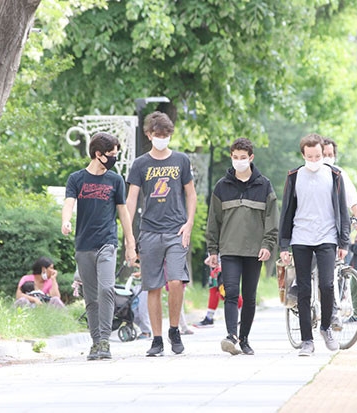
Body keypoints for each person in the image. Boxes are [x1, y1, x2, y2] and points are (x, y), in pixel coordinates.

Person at [126, 111, 197, 357]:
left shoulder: (181, 160)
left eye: (166, 134)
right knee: (153, 286)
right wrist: (129, 236)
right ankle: (156, 339)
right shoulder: (140, 164)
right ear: (149, 135)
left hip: (176, 229)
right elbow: (131, 199)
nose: (162, 138)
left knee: (176, 281)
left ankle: (174, 329)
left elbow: (191, 194)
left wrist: (189, 223)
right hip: (149, 231)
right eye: (157, 134)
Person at [61, 132, 137, 360]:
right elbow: (68, 203)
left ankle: (105, 340)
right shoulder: (76, 179)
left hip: (107, 242)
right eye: (111, 154)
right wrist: (66, 220)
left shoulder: (115, 180)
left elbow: (123, 212)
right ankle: (96, 342)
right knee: (91, 296)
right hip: (84, 245)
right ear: (98, 154)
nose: (114, 158)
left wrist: (130, 242)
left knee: (106, 289)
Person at [279, 133, 350, 356]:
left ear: (322, 152)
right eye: (309, 156)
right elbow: (286, 212)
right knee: (303, 289)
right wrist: (284, 245)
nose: (314, 160)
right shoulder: (294, 176)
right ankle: (306, 340)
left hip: (327, 237)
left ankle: (326, 328)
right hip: (301, 237)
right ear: (303, 155)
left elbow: (343, 210)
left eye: (318, 156)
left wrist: (344, 242)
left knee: (327, 285)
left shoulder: (334, 175)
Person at [206, 137, 279, 355]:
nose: (239, 161)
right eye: (235, 157)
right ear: (231, 157)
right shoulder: (222, 186)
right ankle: (231, 336)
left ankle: (244, 339)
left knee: (249, 297)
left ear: (251, 157)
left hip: (255, 251)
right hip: (229, 249)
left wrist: (268, 244)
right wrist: (212, 250)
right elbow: (213, 220)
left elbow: (272, 219)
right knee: (230, 292)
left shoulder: (264, 185)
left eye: (243, 157)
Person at [322, 138, 357, 227]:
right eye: (324, 155)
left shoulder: (339, 174)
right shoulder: (307, 174)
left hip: (334, 228)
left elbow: (353, 199)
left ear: (334, 156)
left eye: (330, 155)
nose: (327, 158)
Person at [194, 256, 243, 328]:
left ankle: (245, 313)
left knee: (226, 292)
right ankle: (209, 318)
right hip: (216, 267)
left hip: (225, 264)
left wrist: (221, 264)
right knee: (213, 291)